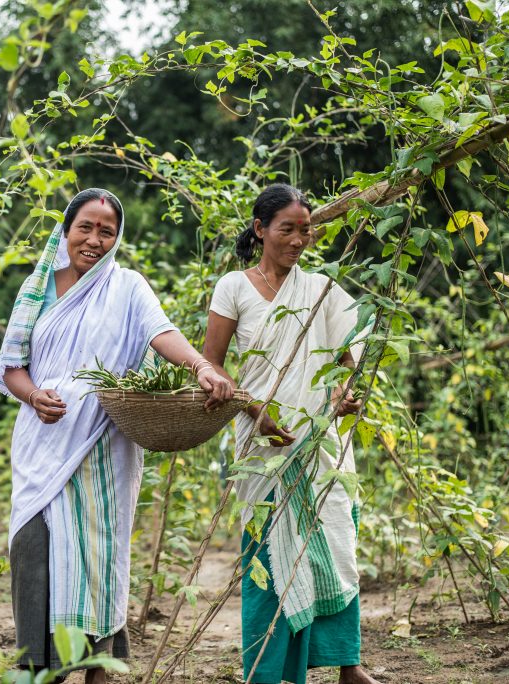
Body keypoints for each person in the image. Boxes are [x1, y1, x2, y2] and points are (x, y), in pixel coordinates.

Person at [0, 188, 233, 683]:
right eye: (86, 227)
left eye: (107, 231)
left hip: (103, 447)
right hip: (43, 446)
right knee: (35, 550)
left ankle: (98, 669)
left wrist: (202, 366)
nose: (95, 240)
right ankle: (42, 668)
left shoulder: (127, 287)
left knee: (97, 558)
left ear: (117, 238)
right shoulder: (37, 288)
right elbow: (12, 367)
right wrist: (34, 395)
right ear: (66, 230)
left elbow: (160, 332)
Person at [201, 184, 379, 684]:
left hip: (318, 443)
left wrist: (344, 393)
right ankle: (266, 671)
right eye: (287, 229)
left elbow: (350, 359)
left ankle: (348, 664)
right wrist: (254, 409)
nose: (299, 240)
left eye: (306, 230)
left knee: (334, 543)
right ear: (260, 230)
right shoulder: (233, 287)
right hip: (264, 444)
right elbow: (212, 366)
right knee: (268, 557)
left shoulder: (322, 288)